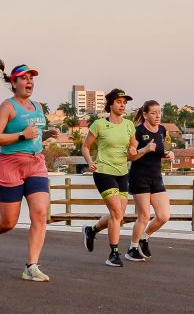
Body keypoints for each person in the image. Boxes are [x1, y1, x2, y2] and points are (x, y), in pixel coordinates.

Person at [0, 59, 59, 282]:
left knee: (40, 214)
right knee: (8, 222)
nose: (29, 81)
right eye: (24, 77)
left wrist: (46, 135)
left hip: (36, 164)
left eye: (32, 78)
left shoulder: (38, 107)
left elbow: (34, 134)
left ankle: (31, 266)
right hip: (10, 165)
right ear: (14, 83)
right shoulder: (7, 106)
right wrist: (21, 135)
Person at [81, 89, 137, 267]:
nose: (122, 105)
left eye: (124, 102)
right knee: (116, 213)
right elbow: (85, 147)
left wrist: (133, 149)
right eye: (119, 102)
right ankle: (113, 253)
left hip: (122, 172)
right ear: (111, 105)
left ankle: (91, 230)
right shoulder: (98, 124)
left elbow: (133, 146)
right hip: (103, 171)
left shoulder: (129, 125)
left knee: (119, 215)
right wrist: (90, 161)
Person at [125, 100, 174, 262]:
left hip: (156, 177)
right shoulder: (138, 131)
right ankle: (132, 248)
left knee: (164, 215)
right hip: (139, 177)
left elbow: (159, 150)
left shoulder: (162, 130)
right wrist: (144, 149)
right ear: (145, 115)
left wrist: (167, 154)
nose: (158, 115)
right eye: (153, 113)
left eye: (159, 112)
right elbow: (130, 156)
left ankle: (144, 238)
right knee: (144, 216)